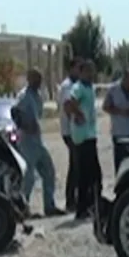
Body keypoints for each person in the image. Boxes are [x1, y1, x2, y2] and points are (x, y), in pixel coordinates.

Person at [10, 68, 61, 216]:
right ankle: (21, 208)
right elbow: (14, 112)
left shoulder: (37, 95)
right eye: (35, 79)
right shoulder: (24, 95)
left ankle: (49, 206)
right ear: (29, 79)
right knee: (29, 177)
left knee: (48, 171)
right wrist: (25, 126)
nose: (39, 82)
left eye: (40, 79)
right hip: (26, 140)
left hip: (37, 140)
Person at [63, 59, 102, 219]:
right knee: (86, 174)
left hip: (90, 134)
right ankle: (82, 208)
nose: (91, 74)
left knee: (94, 173)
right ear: (82, 72)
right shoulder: (78, 87)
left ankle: (92, 204)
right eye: (88, 71)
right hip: (82, 136)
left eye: (93, 71)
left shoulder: (90, 88)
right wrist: (77, 114)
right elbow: (68, 104)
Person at [57, 58, 81, 211]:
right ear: (71, 68)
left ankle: (75, 198)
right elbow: (67, 106)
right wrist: (77, 118)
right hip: (70, 131)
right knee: (75, 166)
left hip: (76, 131)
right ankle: (71, 200)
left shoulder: (76, 85)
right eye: (78, 68)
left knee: (77, 165)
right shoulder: (68, 86)